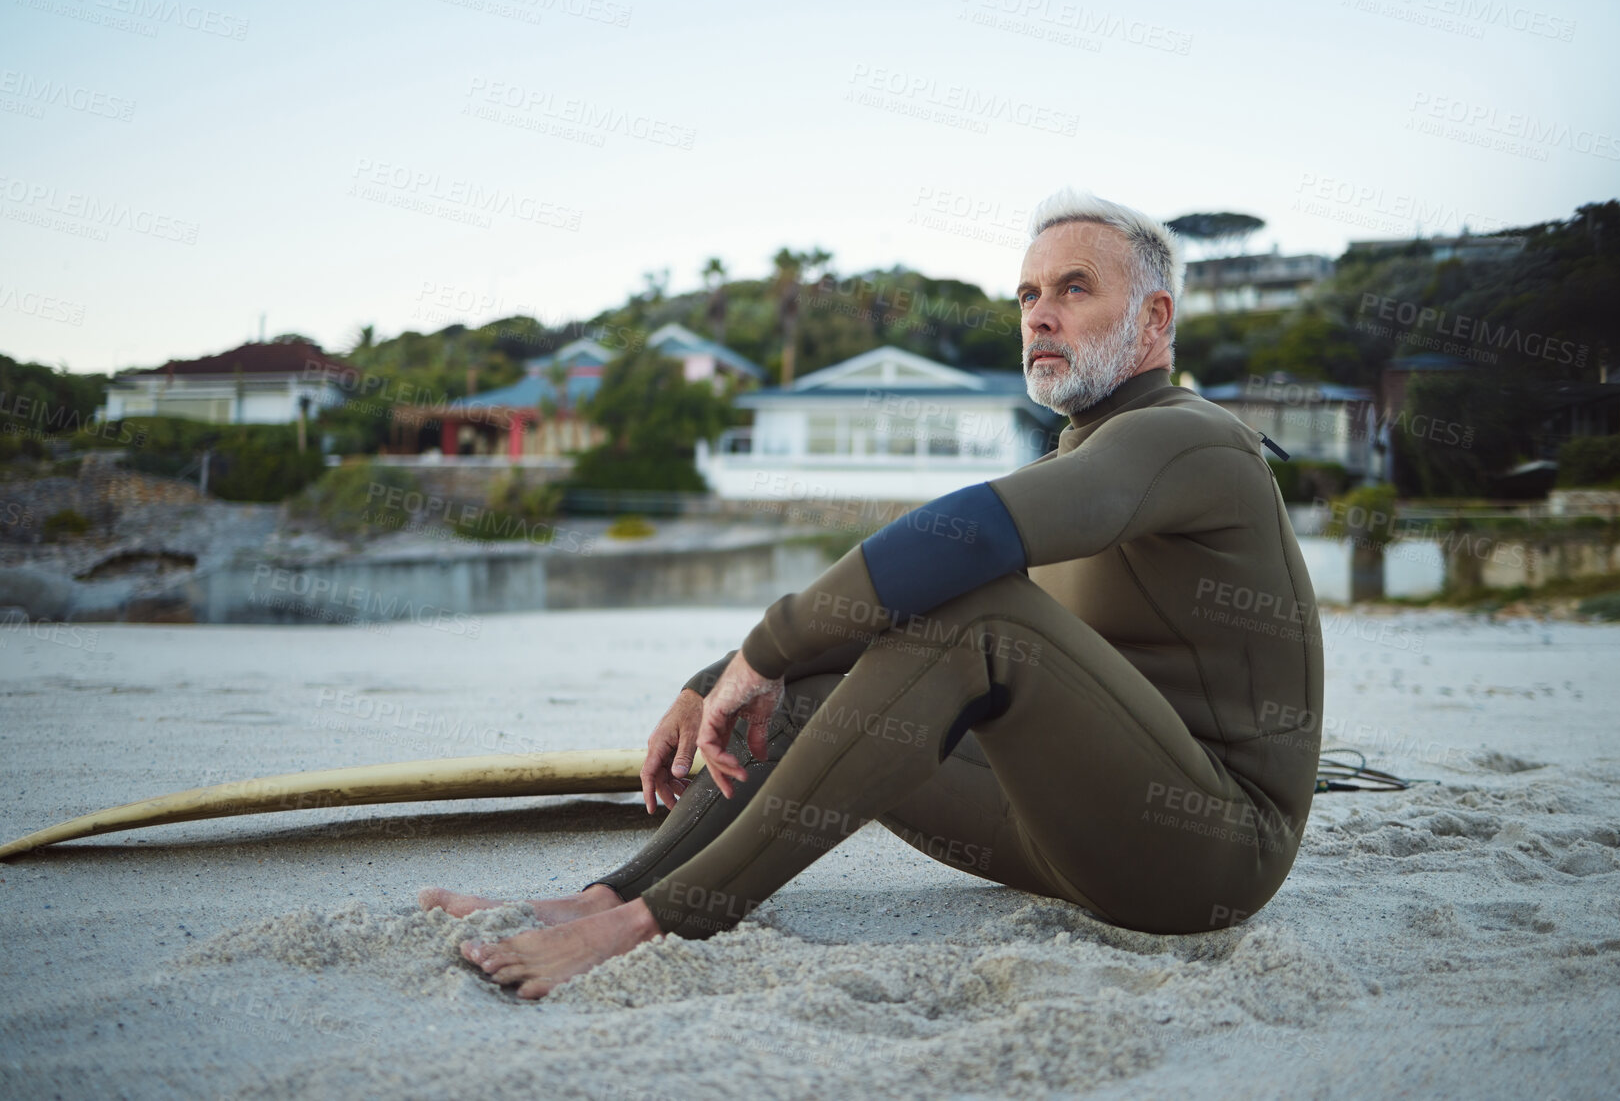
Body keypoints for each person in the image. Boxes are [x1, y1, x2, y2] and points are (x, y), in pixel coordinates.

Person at [422, 189, 1323, 999]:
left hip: (1208, 851)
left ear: (1154, 317)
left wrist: (762, 645)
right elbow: (913, 598)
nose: (1039, 316)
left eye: (1073, 289)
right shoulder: (1081, 452)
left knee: (976, 614)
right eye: (1026, 295)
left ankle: (650, 923)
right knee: (805, 695)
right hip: (1077, 831)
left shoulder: (1188, 439)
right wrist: (720, 676)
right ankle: (605, 896)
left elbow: (964, 537)